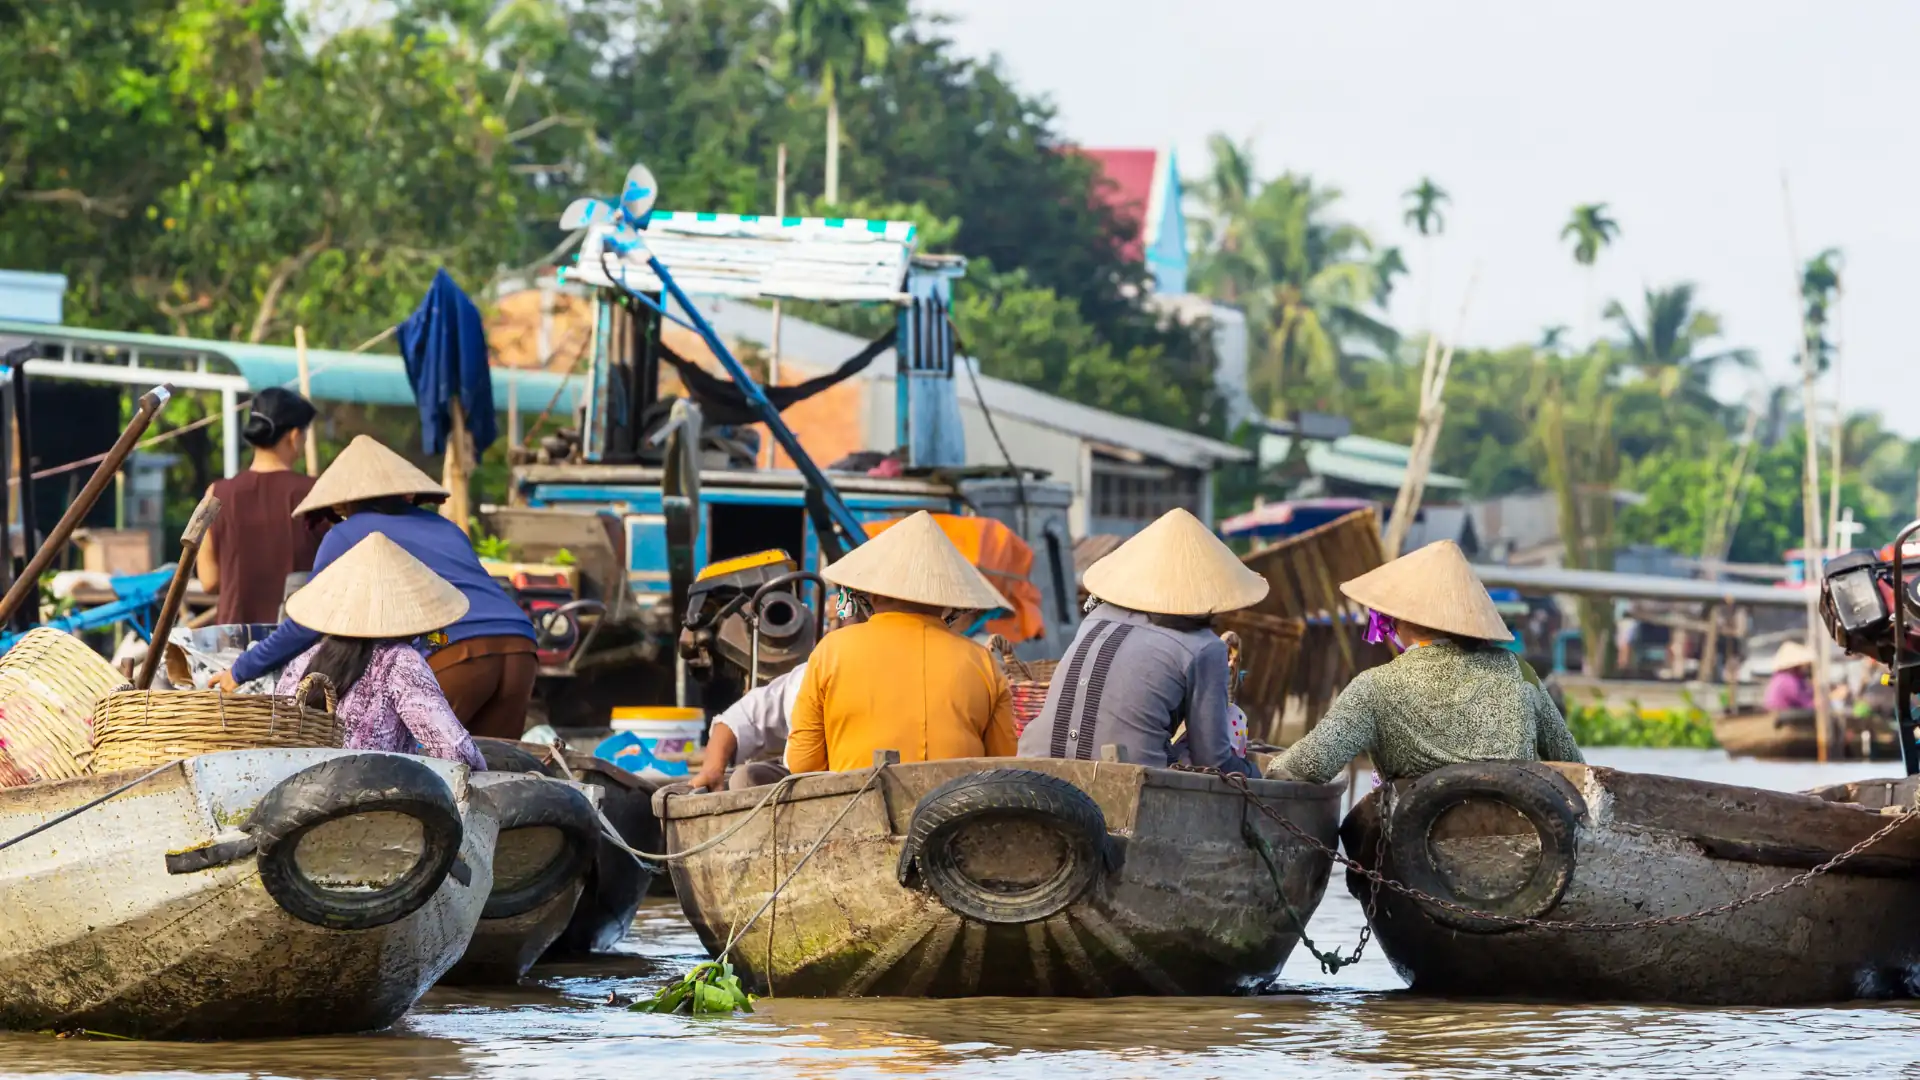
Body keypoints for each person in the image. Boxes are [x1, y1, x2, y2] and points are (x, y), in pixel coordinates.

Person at [216, 436, 538, 739]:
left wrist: (241, 670)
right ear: (405, 492)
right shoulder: (447, 528)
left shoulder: (345, 535)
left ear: (342, 503)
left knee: (429, 768)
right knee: (497, 774)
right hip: (521, 646)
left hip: (453, 649)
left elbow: (307, 624)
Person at [1269, 539, 1584, 785]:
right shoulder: (1519, 670)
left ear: (1400, 619)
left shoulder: (1374, 686)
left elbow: (1309, 765)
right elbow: (1571, 761)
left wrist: (1268, 764)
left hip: (1414, 847)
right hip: (1526, 840)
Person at [1017, 508, 1267, 775]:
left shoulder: (1096, 616)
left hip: (1033, 759)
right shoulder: (1205, 647)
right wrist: (1255, 774)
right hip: (1126, 777)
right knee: (1233, 722)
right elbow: (1213, 760)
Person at [786, 511, 1015, 773]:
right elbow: (1002, 762)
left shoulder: (831, 651)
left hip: (856, 809)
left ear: (870, 593)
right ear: (945, 598)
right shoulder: (982, 661)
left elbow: (803, 764)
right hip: (959, 810)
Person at [273, 532, 485, 771]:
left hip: (297, 795)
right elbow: (455, 752)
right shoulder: (400, 661)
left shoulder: (303, 661)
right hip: (375, 799)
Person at [197, 388, 328, 624]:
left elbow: (209, 581)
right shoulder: (318, 493)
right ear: (294, 435)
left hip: (233, 647)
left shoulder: (215, 494)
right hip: (298, 643)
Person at [688, 662, 806, 792]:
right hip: (799, 781)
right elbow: (737, 719)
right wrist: (712, 770)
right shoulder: (804, 678)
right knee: (744, 778)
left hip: (828, 776)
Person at [1763, 640, 1817, 714]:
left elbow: (1806, 692)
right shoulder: (1787, 681)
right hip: (1786, 715)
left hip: (1786, 713)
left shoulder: (1786, 677)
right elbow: (1806, 703)